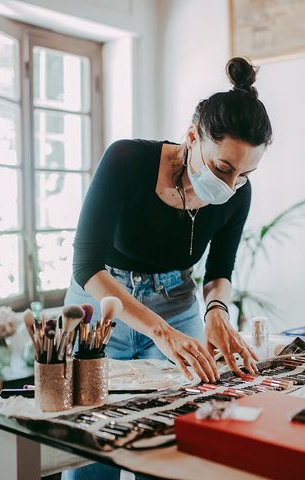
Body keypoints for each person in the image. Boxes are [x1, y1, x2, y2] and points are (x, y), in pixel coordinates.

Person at [62, 56, 272, 479]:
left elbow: (220, 269)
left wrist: (216, 313)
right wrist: (159, 331)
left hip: (178, 303)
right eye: (222, 168)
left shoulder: (237, 195)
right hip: (102, 305)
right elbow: (86, 263)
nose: (231, 186)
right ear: (193, 137)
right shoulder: (127, 160)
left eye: (245, 174)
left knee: (174, 451)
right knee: (91, 450)